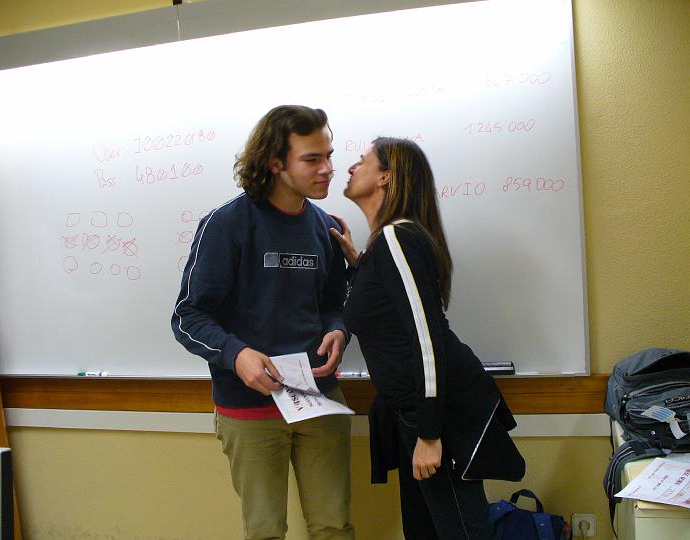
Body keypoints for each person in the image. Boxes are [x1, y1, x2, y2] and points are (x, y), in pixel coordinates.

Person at [171, 105, 354, 540]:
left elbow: (333, 303)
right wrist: (237, 355)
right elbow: (188, 315)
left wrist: (338, 329)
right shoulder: (227, 224)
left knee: (334, 526)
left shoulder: (326, 227)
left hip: (318, 397)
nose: (328, 169)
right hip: (249, 405)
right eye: (312, 159)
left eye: (329, 155)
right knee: (265, 530)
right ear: (275, 163)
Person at [332, 137, 524, 539]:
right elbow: (387, 311)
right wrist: (358, 264)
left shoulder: (396, 238)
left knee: (462, 532)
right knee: (425, 531)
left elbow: (427, 337)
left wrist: (430, 434)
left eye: (362, 161)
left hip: (435, 415)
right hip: (413, 412)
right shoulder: (385, 245)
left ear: (385, 177)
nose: (350, 167)